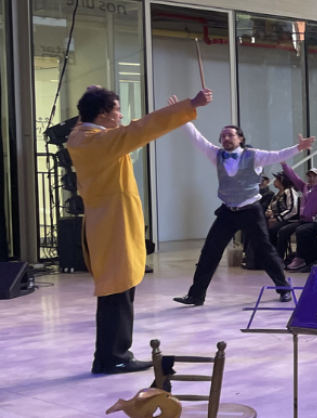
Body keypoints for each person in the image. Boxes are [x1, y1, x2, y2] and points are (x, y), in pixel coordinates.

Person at [68, 86, 212, 375]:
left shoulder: (80, 136)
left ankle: (112, 354)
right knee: (118, 289)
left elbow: (103, 124)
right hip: (113, 222)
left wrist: (94, 95)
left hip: (105, 220)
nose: (121, 115)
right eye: (116, 110)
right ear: (102, 115)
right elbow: (142, 129)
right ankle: (113, 356)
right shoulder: (100, 141)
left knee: (117, 289)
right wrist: (190, 104)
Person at [171, 115, 315, 307]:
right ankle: (196, 295)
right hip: (227, 212)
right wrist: (183, 116)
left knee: (265, 251)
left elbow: (277, 155)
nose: (226, 139)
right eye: (223, 136)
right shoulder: (216, 154)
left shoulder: (254, 155)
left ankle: (283, 289)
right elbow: (197, 138)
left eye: (230, 135)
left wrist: (298, 148)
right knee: (209, 252)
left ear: (240, 138)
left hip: (251, 211)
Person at [279, 152, 317, 271]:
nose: (311, 178)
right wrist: (284, 164)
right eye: (309, 176)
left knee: (301, 231)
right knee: (283, 231)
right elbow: (294, 177)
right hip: (303, 220)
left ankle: (301, 258)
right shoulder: (305, 187)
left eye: (314, 176)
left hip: (315, 221)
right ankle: (281, 258)